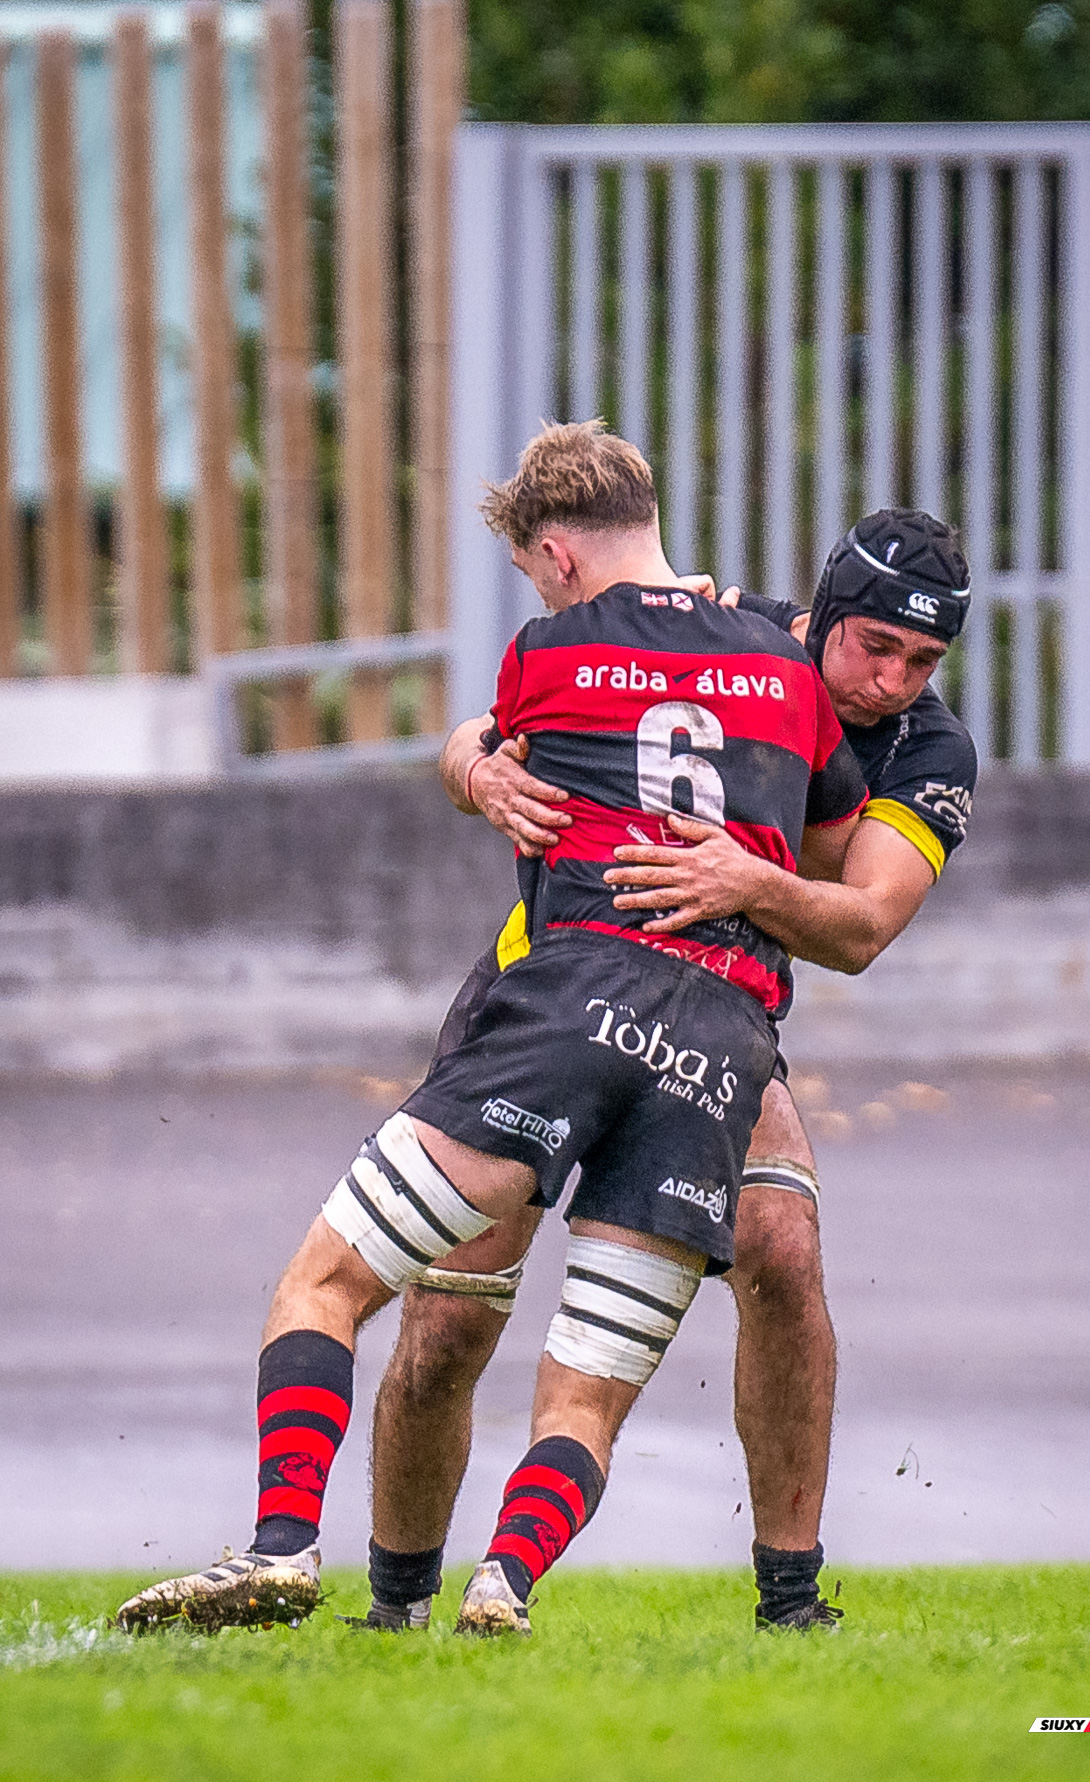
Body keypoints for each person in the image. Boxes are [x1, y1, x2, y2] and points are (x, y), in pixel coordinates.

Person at [112, 421, 869, 1638]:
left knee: (330, 1282)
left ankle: (280, 1548)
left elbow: (501, 749)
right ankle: (503, 1584)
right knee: (585, 1393)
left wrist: (472, 760)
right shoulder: (786, 668)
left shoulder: (548, 653)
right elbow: (831, 845)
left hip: (566, 1007)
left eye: (529, 570)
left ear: (557, 556)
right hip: (719, 1047)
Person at [360, 502, 977, 1635]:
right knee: (450, 1317)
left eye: (923, 659)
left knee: (784, 1252)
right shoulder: (727, 632)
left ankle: (791, 1601)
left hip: (713, 1021)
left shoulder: (928, 751)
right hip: (540, 993)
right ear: (825, 613)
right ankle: (395, 1607)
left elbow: (862, 926)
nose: (892, 680)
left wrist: (751, 886)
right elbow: (487, 725)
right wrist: (473, 772)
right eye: (874, 646)